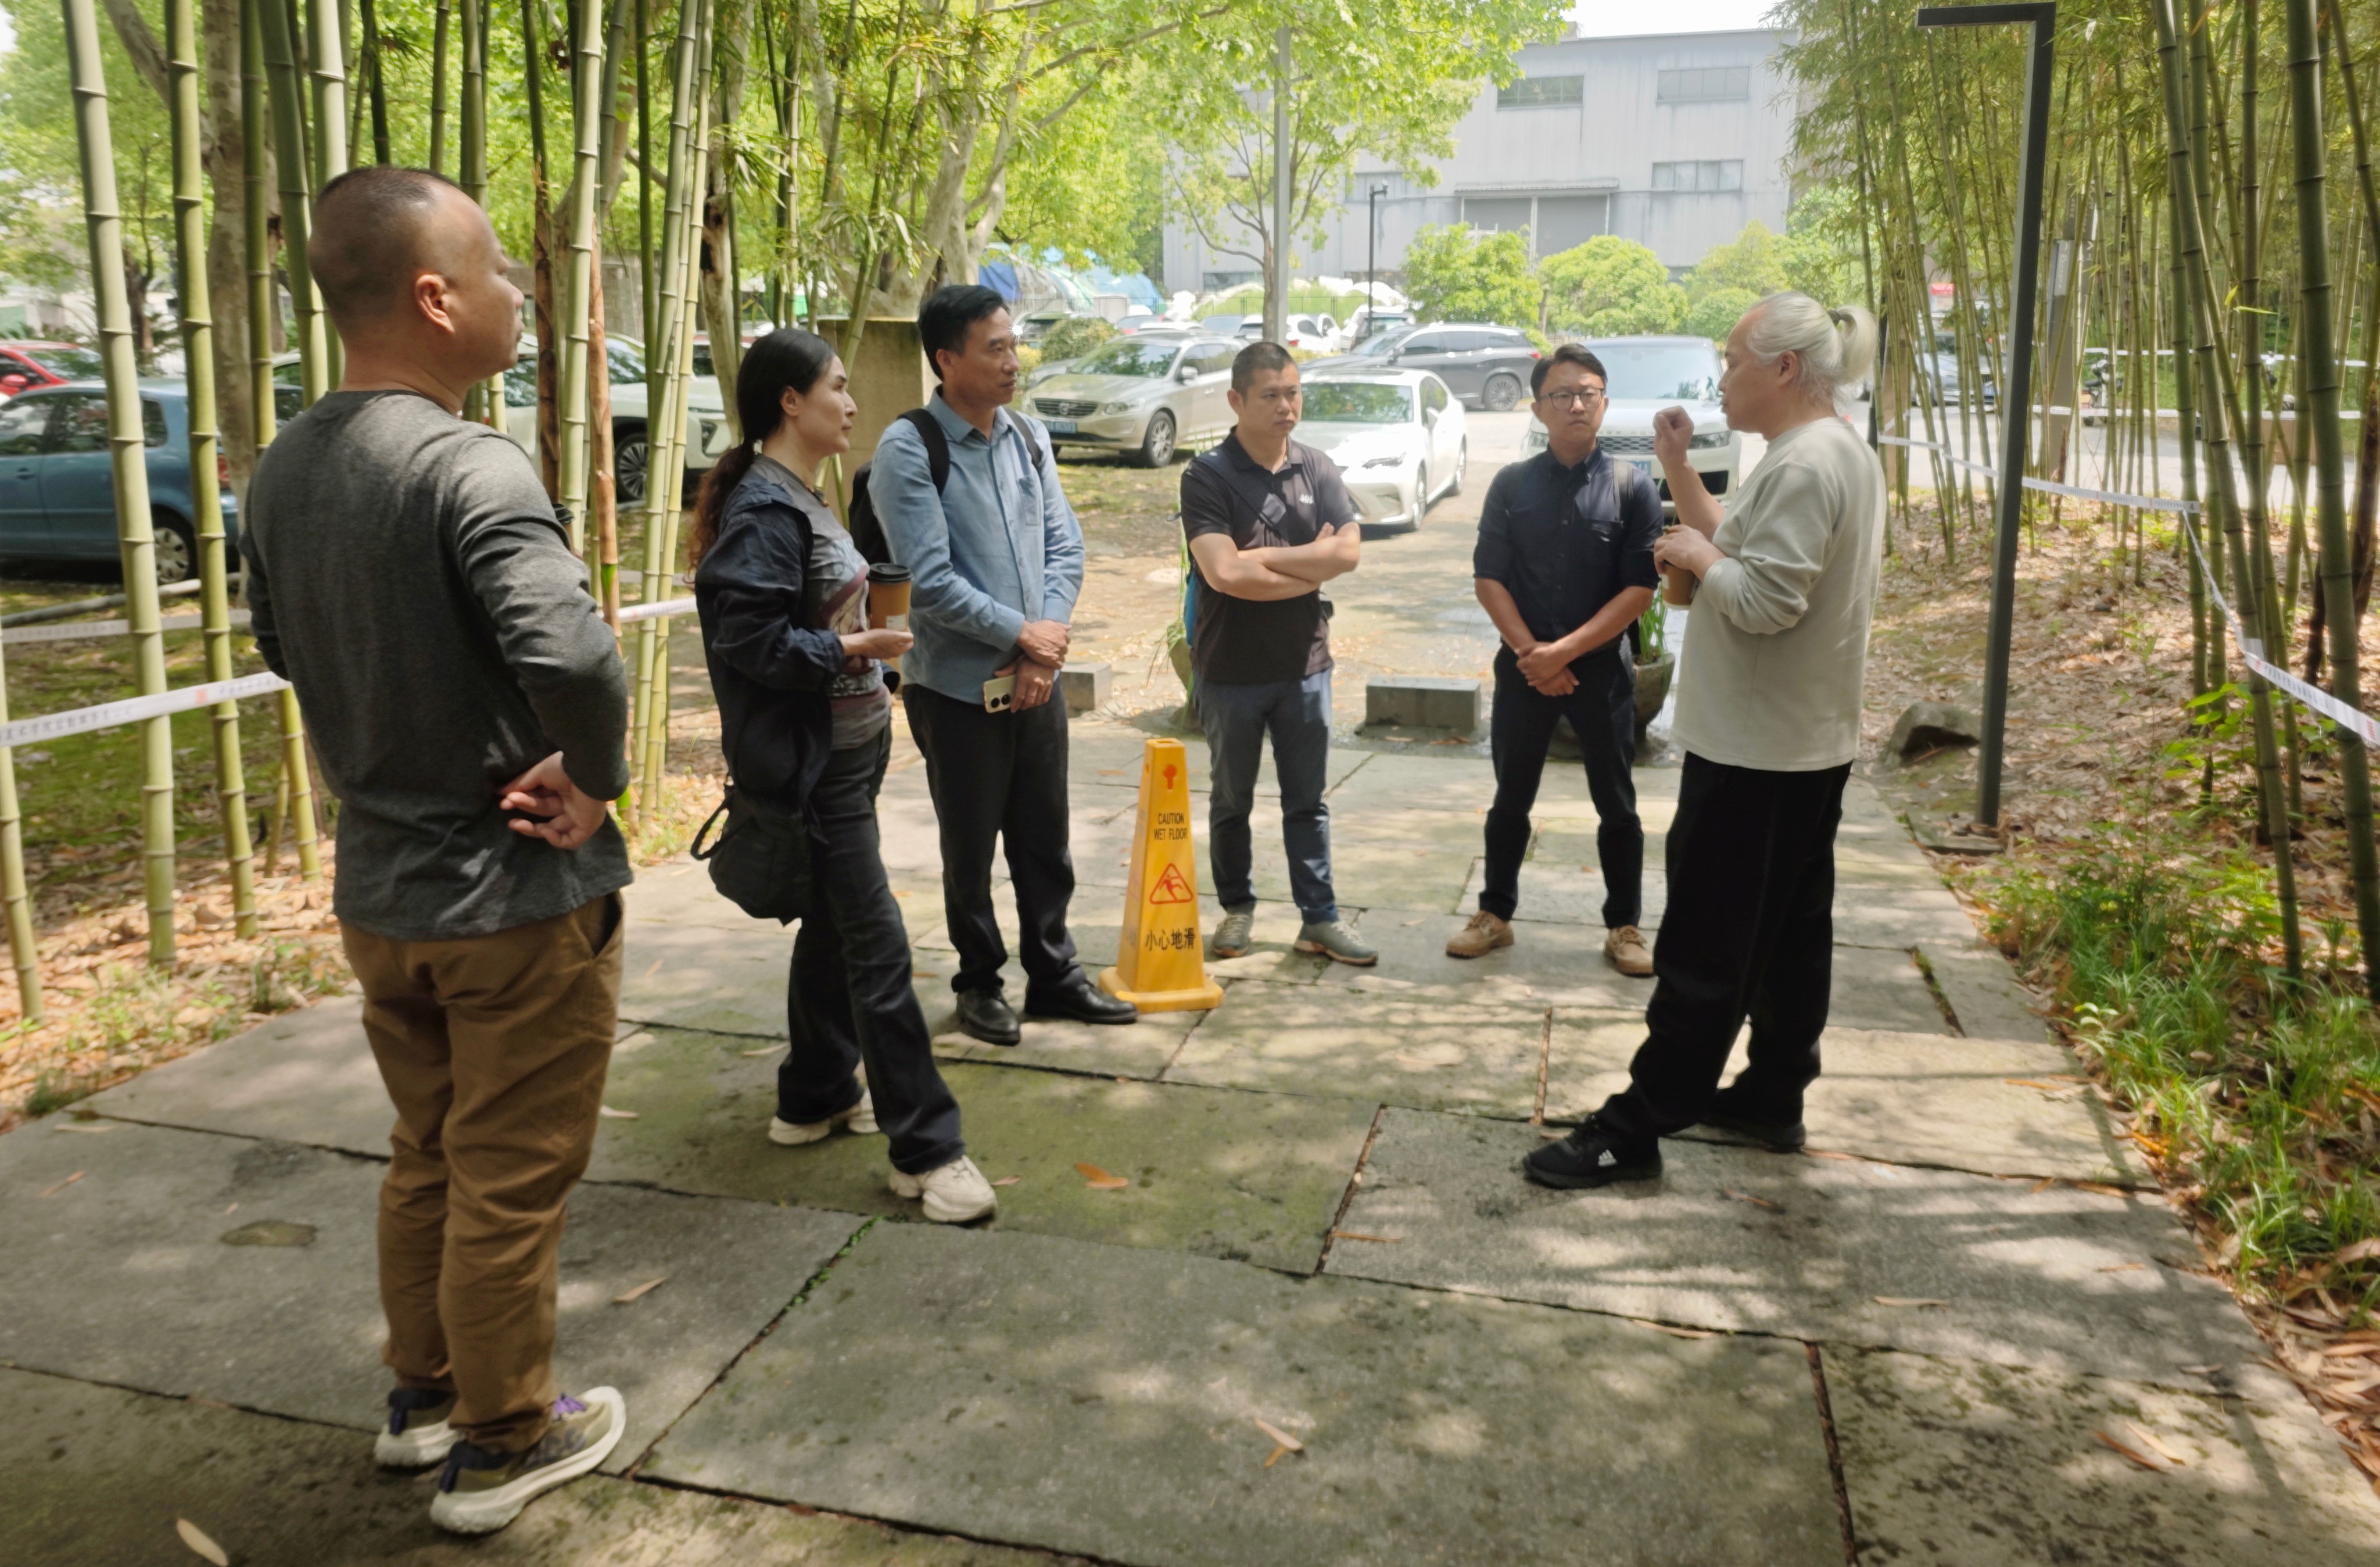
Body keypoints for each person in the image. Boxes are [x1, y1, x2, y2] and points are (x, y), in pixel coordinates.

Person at [241, 166, 629, 1534]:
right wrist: (595, 779)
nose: (519, 290)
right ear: (433, 296)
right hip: (510, 892)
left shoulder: (285, 467)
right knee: (510, 1176)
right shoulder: (470, 463)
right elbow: (574, 656)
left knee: (430, 1151)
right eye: (498, 269)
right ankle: (506, 1437)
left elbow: (278, 643)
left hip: (382, 892)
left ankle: (422, 1395)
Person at [1524, 292, 1884, 1190]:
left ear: (1785, 369)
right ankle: (1773, 1094)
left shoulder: (1805, 465)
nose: (1721, 379)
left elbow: (1762, 599)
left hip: (1755, 752)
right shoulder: (1830, 449)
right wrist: (1679, 470)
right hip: (1805, 744)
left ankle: (1640, 1123)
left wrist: (1694, 560)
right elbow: (1743, 547)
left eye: (1733, 361)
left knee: (1704, 945)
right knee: (1791, 934)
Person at [689, 329, 994, 1225]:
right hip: (816, 775)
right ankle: (928, 1152)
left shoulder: (804, 495)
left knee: (833, 928)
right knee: (878, 946)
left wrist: (866, 654)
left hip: (849, 758)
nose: (852, 402)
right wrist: (853, 649)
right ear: (790, 402)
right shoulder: (764, 510)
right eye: (835, 386)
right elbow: (747, 642)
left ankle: (815, 1093)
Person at [873, 284, 1137, 1043]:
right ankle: (980, 983)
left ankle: (1054, 975)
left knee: (1044, 838)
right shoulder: (909, 448)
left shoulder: (1027, 436)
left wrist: (1039, 648)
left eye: (1013, 344)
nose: (1013, 360)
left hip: (1036, 675)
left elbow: (1064, 546)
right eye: (995, 348)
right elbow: (928, 579)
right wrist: (1025, 635)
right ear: (947, 359)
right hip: (956, 690)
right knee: (970, 847)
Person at [1450, 344, 1659, 975]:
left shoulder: (1632, 486)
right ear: (1538, 407)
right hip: (1524, 666)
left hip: (1600, 671)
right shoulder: (1512, 484)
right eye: (1562, 394)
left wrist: (1563, 653)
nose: (1576, 405)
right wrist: (1531, 653)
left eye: (1588, 393)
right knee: (1510, 797)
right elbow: (1489, 577)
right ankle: (1495, 914)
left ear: (1604, 402)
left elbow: (1639, 590)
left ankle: (1624, 925)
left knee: (1616, 802)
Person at [1181, 341, 1374, 966]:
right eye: (1270, 395)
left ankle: (1319, 918)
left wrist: (1262, 558)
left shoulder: (1317, 467)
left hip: (1305, 667)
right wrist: (1310, 568)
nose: (1285, 406)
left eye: (1292, 392)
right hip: (1230, 669)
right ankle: (1237, 908)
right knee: (1231, 800)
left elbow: (1348, 554)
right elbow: (1223, 573)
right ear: (1236, 400)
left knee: (1307, 803)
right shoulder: (1206, 475)